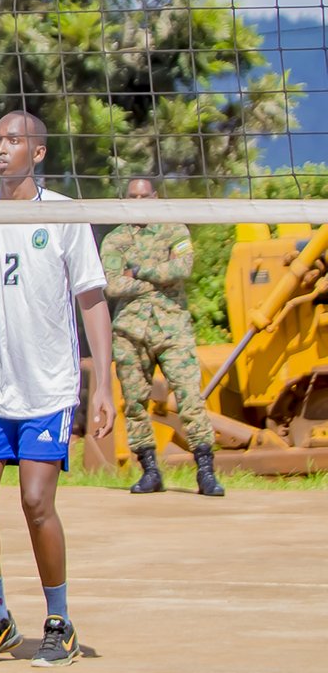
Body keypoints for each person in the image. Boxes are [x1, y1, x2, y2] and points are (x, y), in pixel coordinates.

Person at [0, 111, 114, 670]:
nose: (0, 148)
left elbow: (92, 300)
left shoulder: (63, 215)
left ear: (37, 153)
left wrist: (103, 385)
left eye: (13, 140)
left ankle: (59, 622)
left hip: (49, 386)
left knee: (36, 501)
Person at [100, 178, 224, 498]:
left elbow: (183, 267)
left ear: (155, 197)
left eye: (144, 196)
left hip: (172, 327)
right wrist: (158, 276)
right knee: (134, 403)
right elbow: (112, 285)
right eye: (133, 196)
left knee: (190, 397)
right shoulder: (115, 239)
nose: (139, 202)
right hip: (130, 331)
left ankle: (206, 471)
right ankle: (150, 471)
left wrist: (138, 271)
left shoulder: (174, 229)